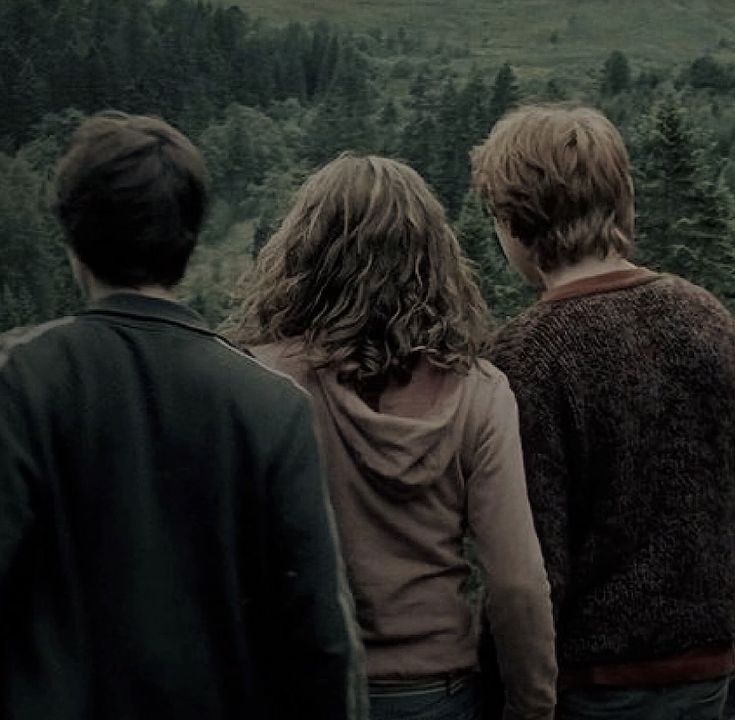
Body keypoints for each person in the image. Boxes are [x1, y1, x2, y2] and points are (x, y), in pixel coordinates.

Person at [0, 112, 367, 720]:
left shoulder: (19, 381)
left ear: (72, 235)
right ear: (190, 237)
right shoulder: (271, 405)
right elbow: (322, 640)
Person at [227, 153, 558, 720]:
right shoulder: (479, 393)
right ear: (433, 261)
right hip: (438, 691)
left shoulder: (255, 383)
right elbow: (517, 583)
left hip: (303, 685)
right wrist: (532, 706)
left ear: (303, 255)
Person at [471, 104, 735, 719]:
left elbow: (536, 561)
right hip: (713, 670)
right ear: (618, 200)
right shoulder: (708, 317)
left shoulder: (526, 355)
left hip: (596, 682)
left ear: (515, 222)